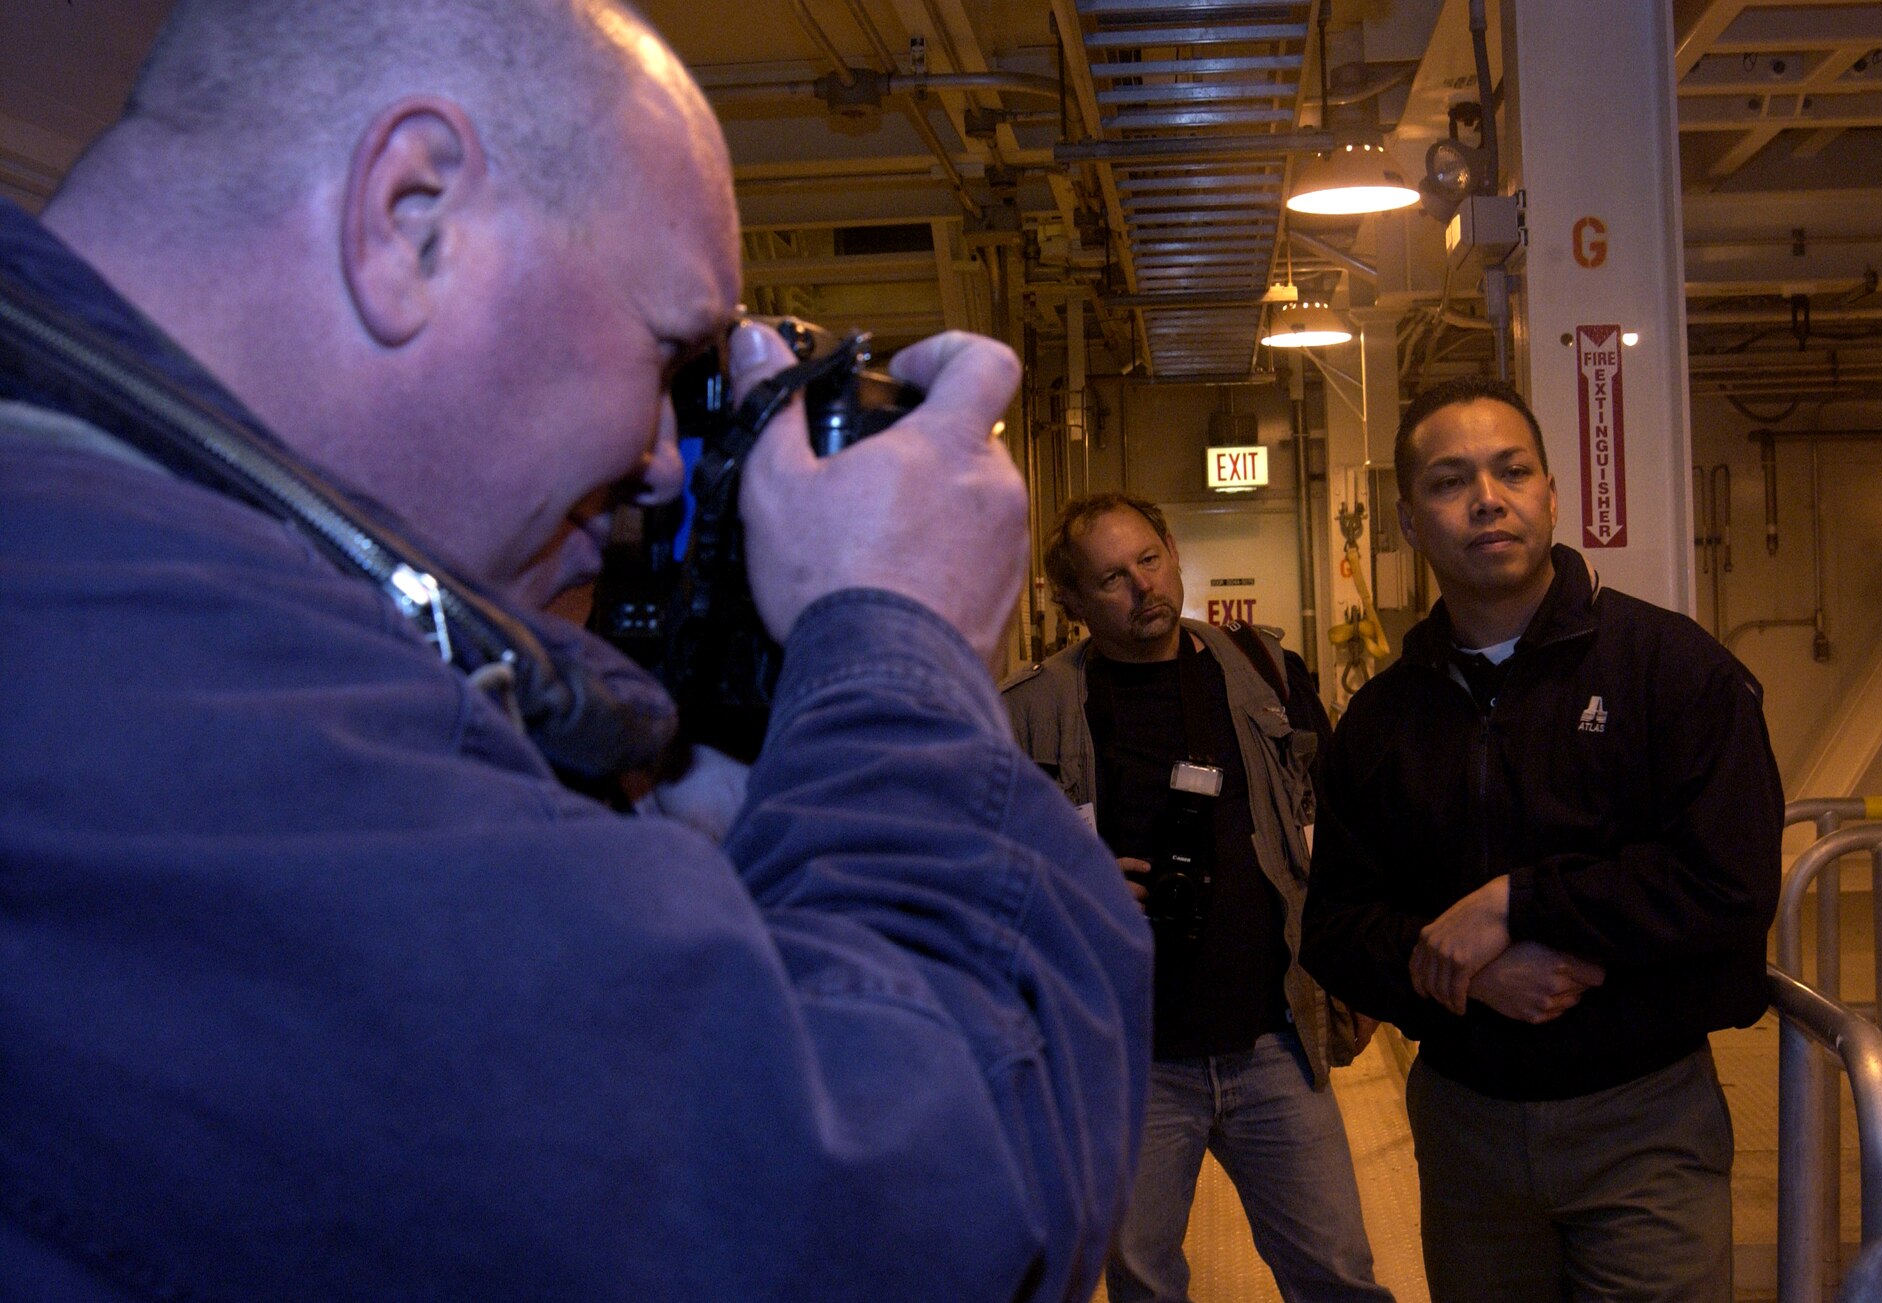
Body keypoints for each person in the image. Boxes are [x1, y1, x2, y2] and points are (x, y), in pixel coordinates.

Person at [0, 2, 1152, 1298]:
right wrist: (898, 636)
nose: (660, 461)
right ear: (412, 214)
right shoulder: (176, 702)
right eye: (665, 347)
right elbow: (921, 1204)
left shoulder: (95, 570)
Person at [1301, 376, 1782, 1303]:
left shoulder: (1672, 672)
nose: (1487, 496)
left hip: (1644, 1123)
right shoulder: (1384, 719)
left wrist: (1522, 901)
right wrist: (1470, 972)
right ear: (1408, 522)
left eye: (1511, 470)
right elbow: (1337, 926)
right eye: (1449, 481)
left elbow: (1727, 884)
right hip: (1466, 1129)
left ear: (1552, 495)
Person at [1003, 493, 1393, 1303]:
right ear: (1071, 601)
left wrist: (1352, 972)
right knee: (1145, 1285)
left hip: (1272, 1041)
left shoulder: (1260, 670)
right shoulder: (1030, 712)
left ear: (1173, 552)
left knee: (1339, 1275)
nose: (1142, 587)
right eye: (1112, 577)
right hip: (1130, 1062)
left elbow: (1333, 831)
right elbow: (977, 868)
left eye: (1149, 560)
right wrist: (1066, 885)